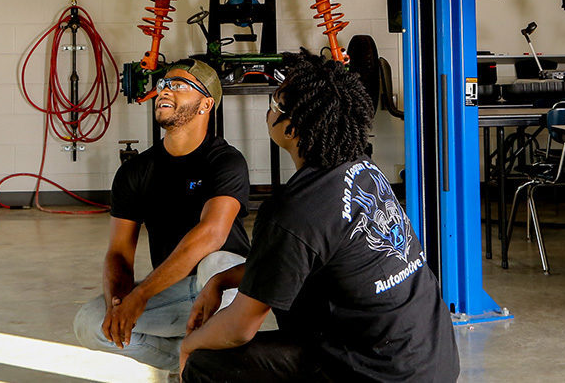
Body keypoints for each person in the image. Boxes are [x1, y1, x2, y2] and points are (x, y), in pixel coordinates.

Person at [179, 53, 461, 382]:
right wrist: (221, 280)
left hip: (381, 372)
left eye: (275, 103)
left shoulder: (293, 210)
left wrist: (189, 345)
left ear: (293, 127)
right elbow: (295, 259)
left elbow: (239, 329)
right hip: (433, 360)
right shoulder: (363, 170)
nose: (269, 109)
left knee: (206, 362)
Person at [73, 59, 252, 372]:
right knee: (89, 323)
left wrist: (141, 295)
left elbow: (212, 234)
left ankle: (210, 354)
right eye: (162, 85)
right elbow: (118, 253)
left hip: (227, 293)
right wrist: (119, 303)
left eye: (178, 85)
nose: (164, 91)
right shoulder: (135, 171)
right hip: (176, 292)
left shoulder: (224, 161)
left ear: (205, 104)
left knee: (218, 261)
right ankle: (191, 361)